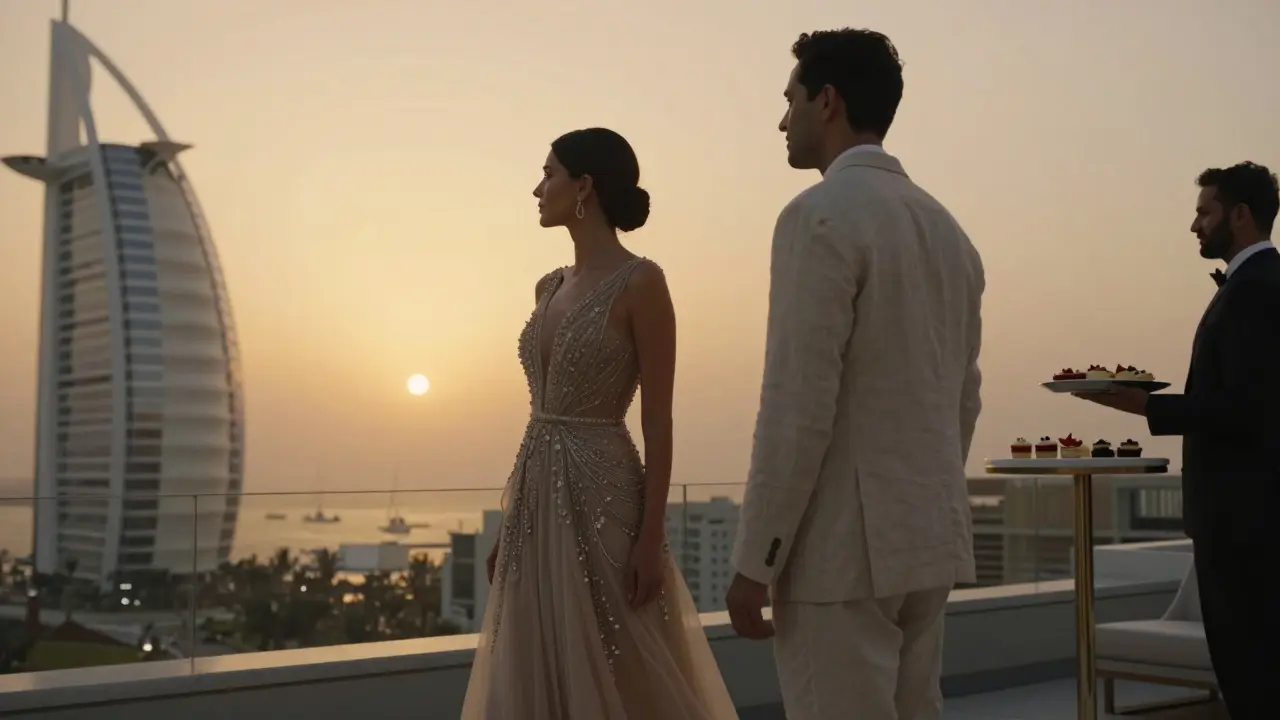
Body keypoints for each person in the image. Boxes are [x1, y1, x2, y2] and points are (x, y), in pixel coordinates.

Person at [725, 28, 985, 720]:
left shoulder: (817, 217)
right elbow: (964, 398)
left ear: (828, 101)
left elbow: (796, 405)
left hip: (839, 555)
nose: (782, 120)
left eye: (791, 100)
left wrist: (758, 559)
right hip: (925, 539)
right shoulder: (949, 231)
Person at [460, 128, 737, 719]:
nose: (538, 189)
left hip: (607, 490)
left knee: (625, 660)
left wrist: (650, 536)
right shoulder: (548, 285)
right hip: (538, 492)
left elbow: (658, 420)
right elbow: (540, 417)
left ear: (583, 187)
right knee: (535, 656)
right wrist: (512, 521)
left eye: (549, 174)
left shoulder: (642, 281)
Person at [1076, 162, 1280, 719]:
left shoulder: (1256, 291)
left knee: (1252, 677)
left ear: (1239, 216)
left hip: (1241, 521)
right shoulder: (1256, 285)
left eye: (1203, 212)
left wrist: (1145, 404)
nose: (1194, 225)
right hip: (1245, 518)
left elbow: (1246, 410)